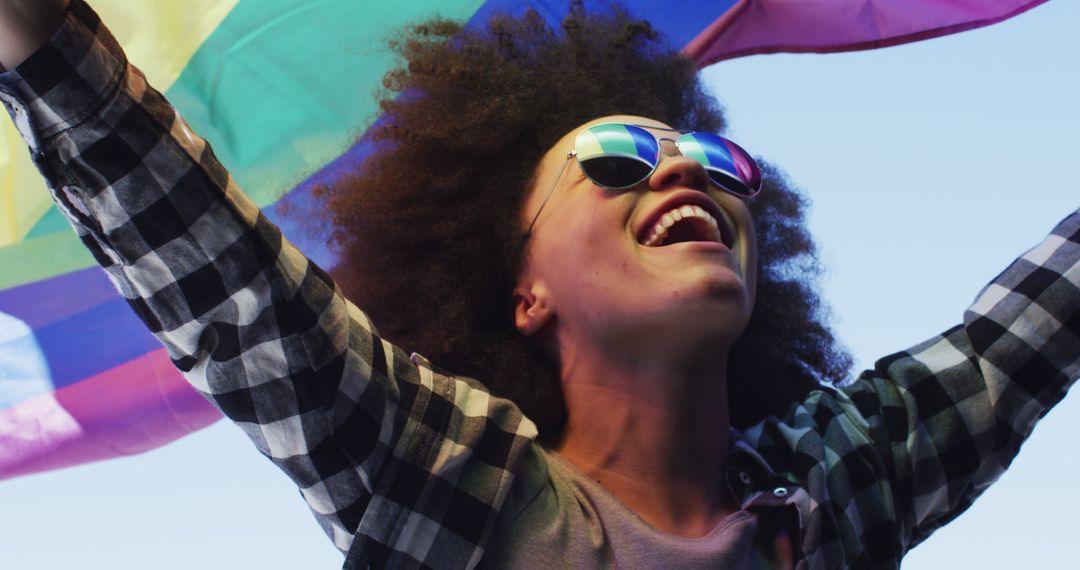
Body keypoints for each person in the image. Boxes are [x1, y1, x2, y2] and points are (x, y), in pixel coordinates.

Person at [1, 1, 1077, 568]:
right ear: (524, 292)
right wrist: (38, 44)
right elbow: (223, 281)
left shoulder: (839, 489)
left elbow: (1013, 342)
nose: (680, 171)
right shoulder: (447, 478)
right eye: (613, 157)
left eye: (720, 169)